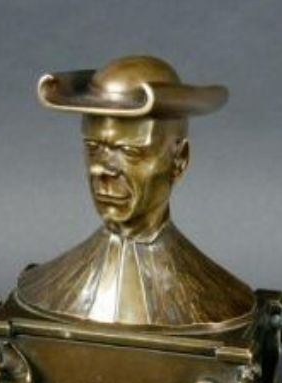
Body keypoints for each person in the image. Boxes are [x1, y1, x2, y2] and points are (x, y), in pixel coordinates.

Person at [16, 56, 256, 335]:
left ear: (179, 160)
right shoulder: (51, 287)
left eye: (130, 151)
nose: (101, 169)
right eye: (93, 147)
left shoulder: (213, 298)